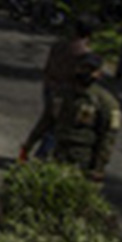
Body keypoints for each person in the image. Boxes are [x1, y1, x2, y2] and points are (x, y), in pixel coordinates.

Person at [20, 53, 121, 182]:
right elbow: (45, 121)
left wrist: (99, 167)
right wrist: (27, 146)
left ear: (98, 74)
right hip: (58, 153)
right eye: (83, 68)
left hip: (82, 160)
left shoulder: (106, 103)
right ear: (76, 68)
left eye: (91, 70)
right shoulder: (61, 94)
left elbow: (108, 138)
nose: (86, 72)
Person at [36, 17, 96, 157]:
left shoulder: (59, 46)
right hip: (66, 93)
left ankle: (40, 155)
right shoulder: (85, 54)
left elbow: (48, 67)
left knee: (48, 122)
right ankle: (41, 157)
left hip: (50, 87)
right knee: (56, 127)